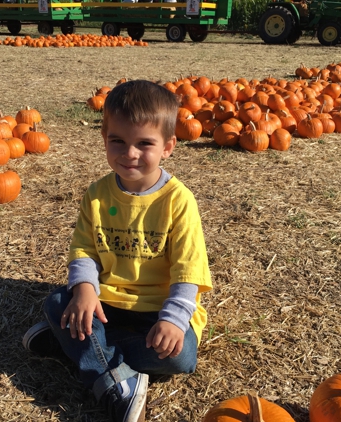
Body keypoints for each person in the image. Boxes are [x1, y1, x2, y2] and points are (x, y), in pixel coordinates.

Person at [22, 80, 212, 422]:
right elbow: (84, 249)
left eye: (144, 144)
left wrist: (172, 320)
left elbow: (189, 271)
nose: (130, 153)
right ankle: (114, 379)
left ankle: (77, 348)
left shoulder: (178, 200)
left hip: (157, 309)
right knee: (58, 303)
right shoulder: (96, 194)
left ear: (168, 146)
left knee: (180, 359)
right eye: (118, 141)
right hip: (106, 302)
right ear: (104, 139)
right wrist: (83, 291)